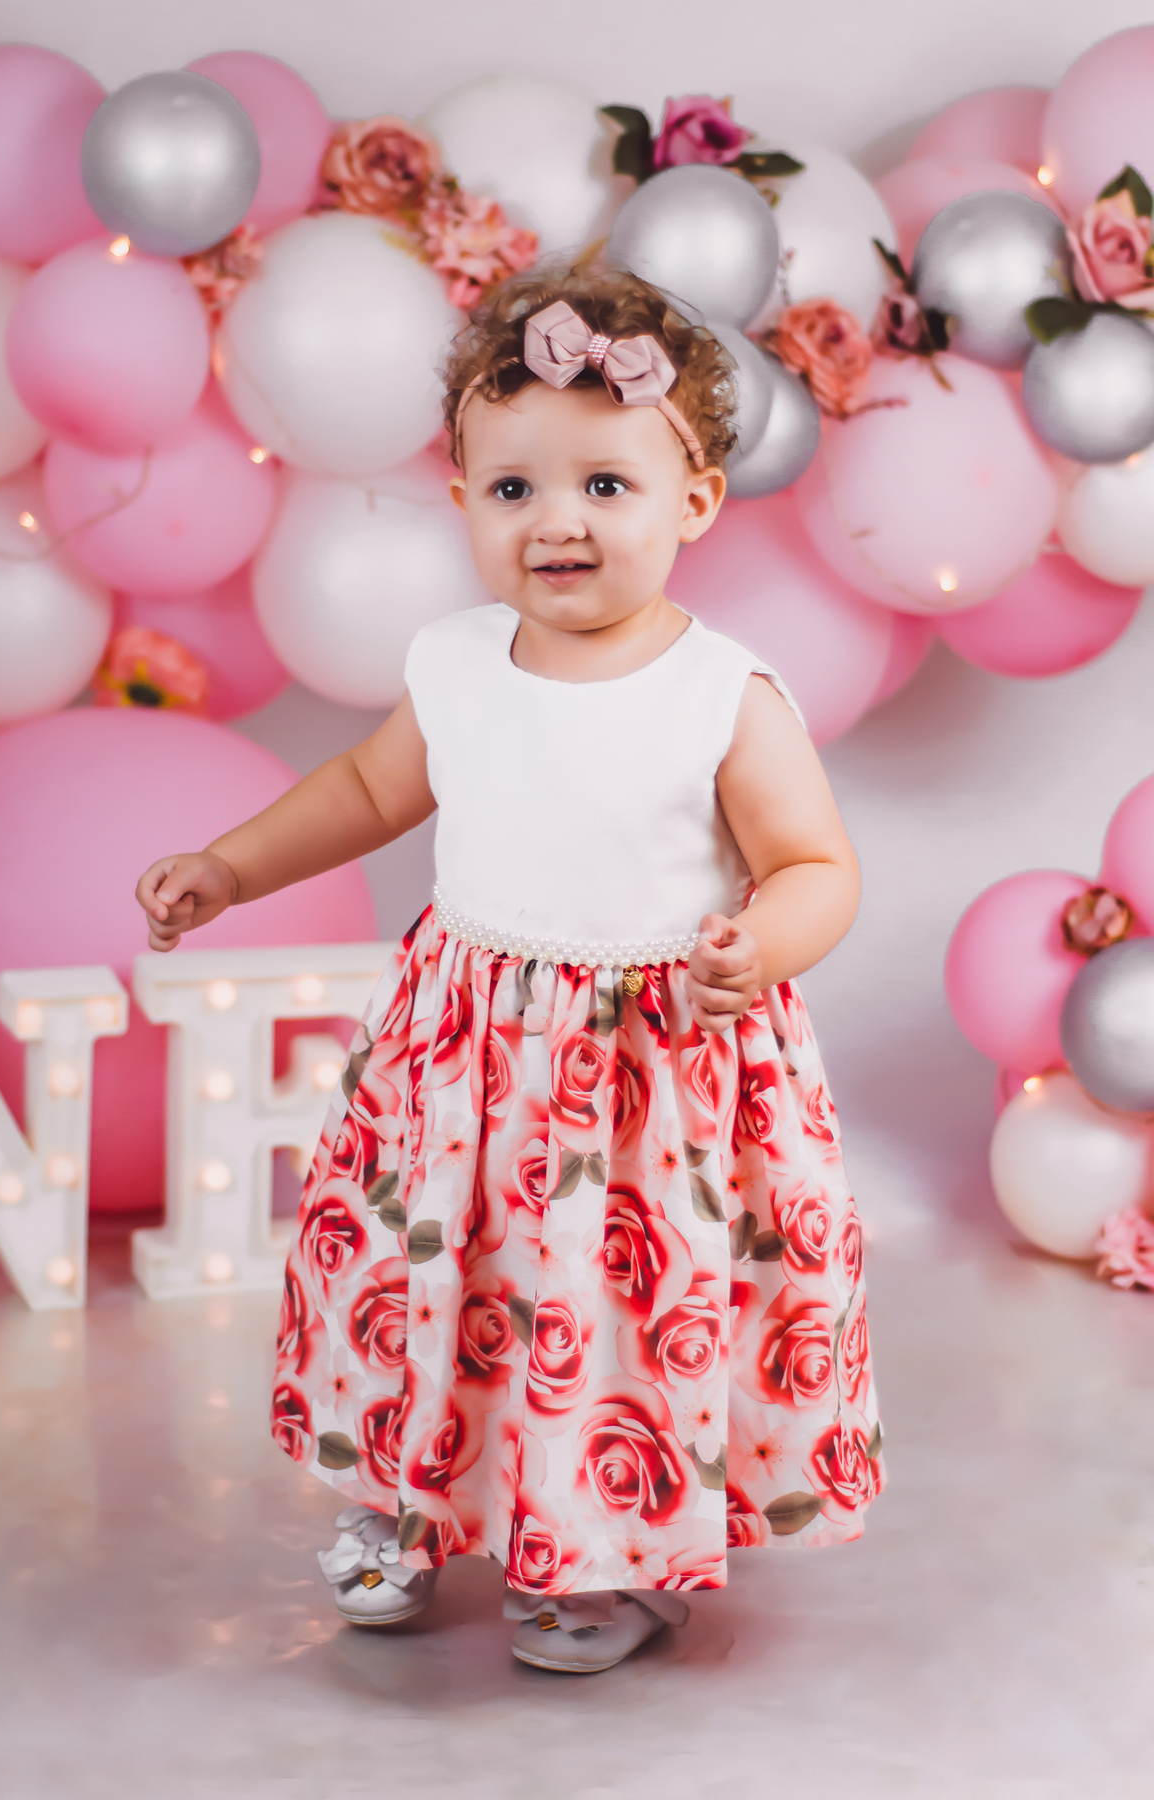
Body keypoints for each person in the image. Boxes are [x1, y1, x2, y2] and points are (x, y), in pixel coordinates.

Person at [135, 265, 884, 1675]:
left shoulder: (723, 694)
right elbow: (366, 792)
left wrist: (763, 943)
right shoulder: (457, 663)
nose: (558, 521)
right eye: (514, 488)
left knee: (602, 1317)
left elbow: (816, 864)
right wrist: (232, 866)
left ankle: (609, 1548)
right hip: (464, 1064)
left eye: (607, 486)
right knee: (430, 1282)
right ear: (463, 498)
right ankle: (407, 1499)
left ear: (694, 503)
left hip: (646, 1079)